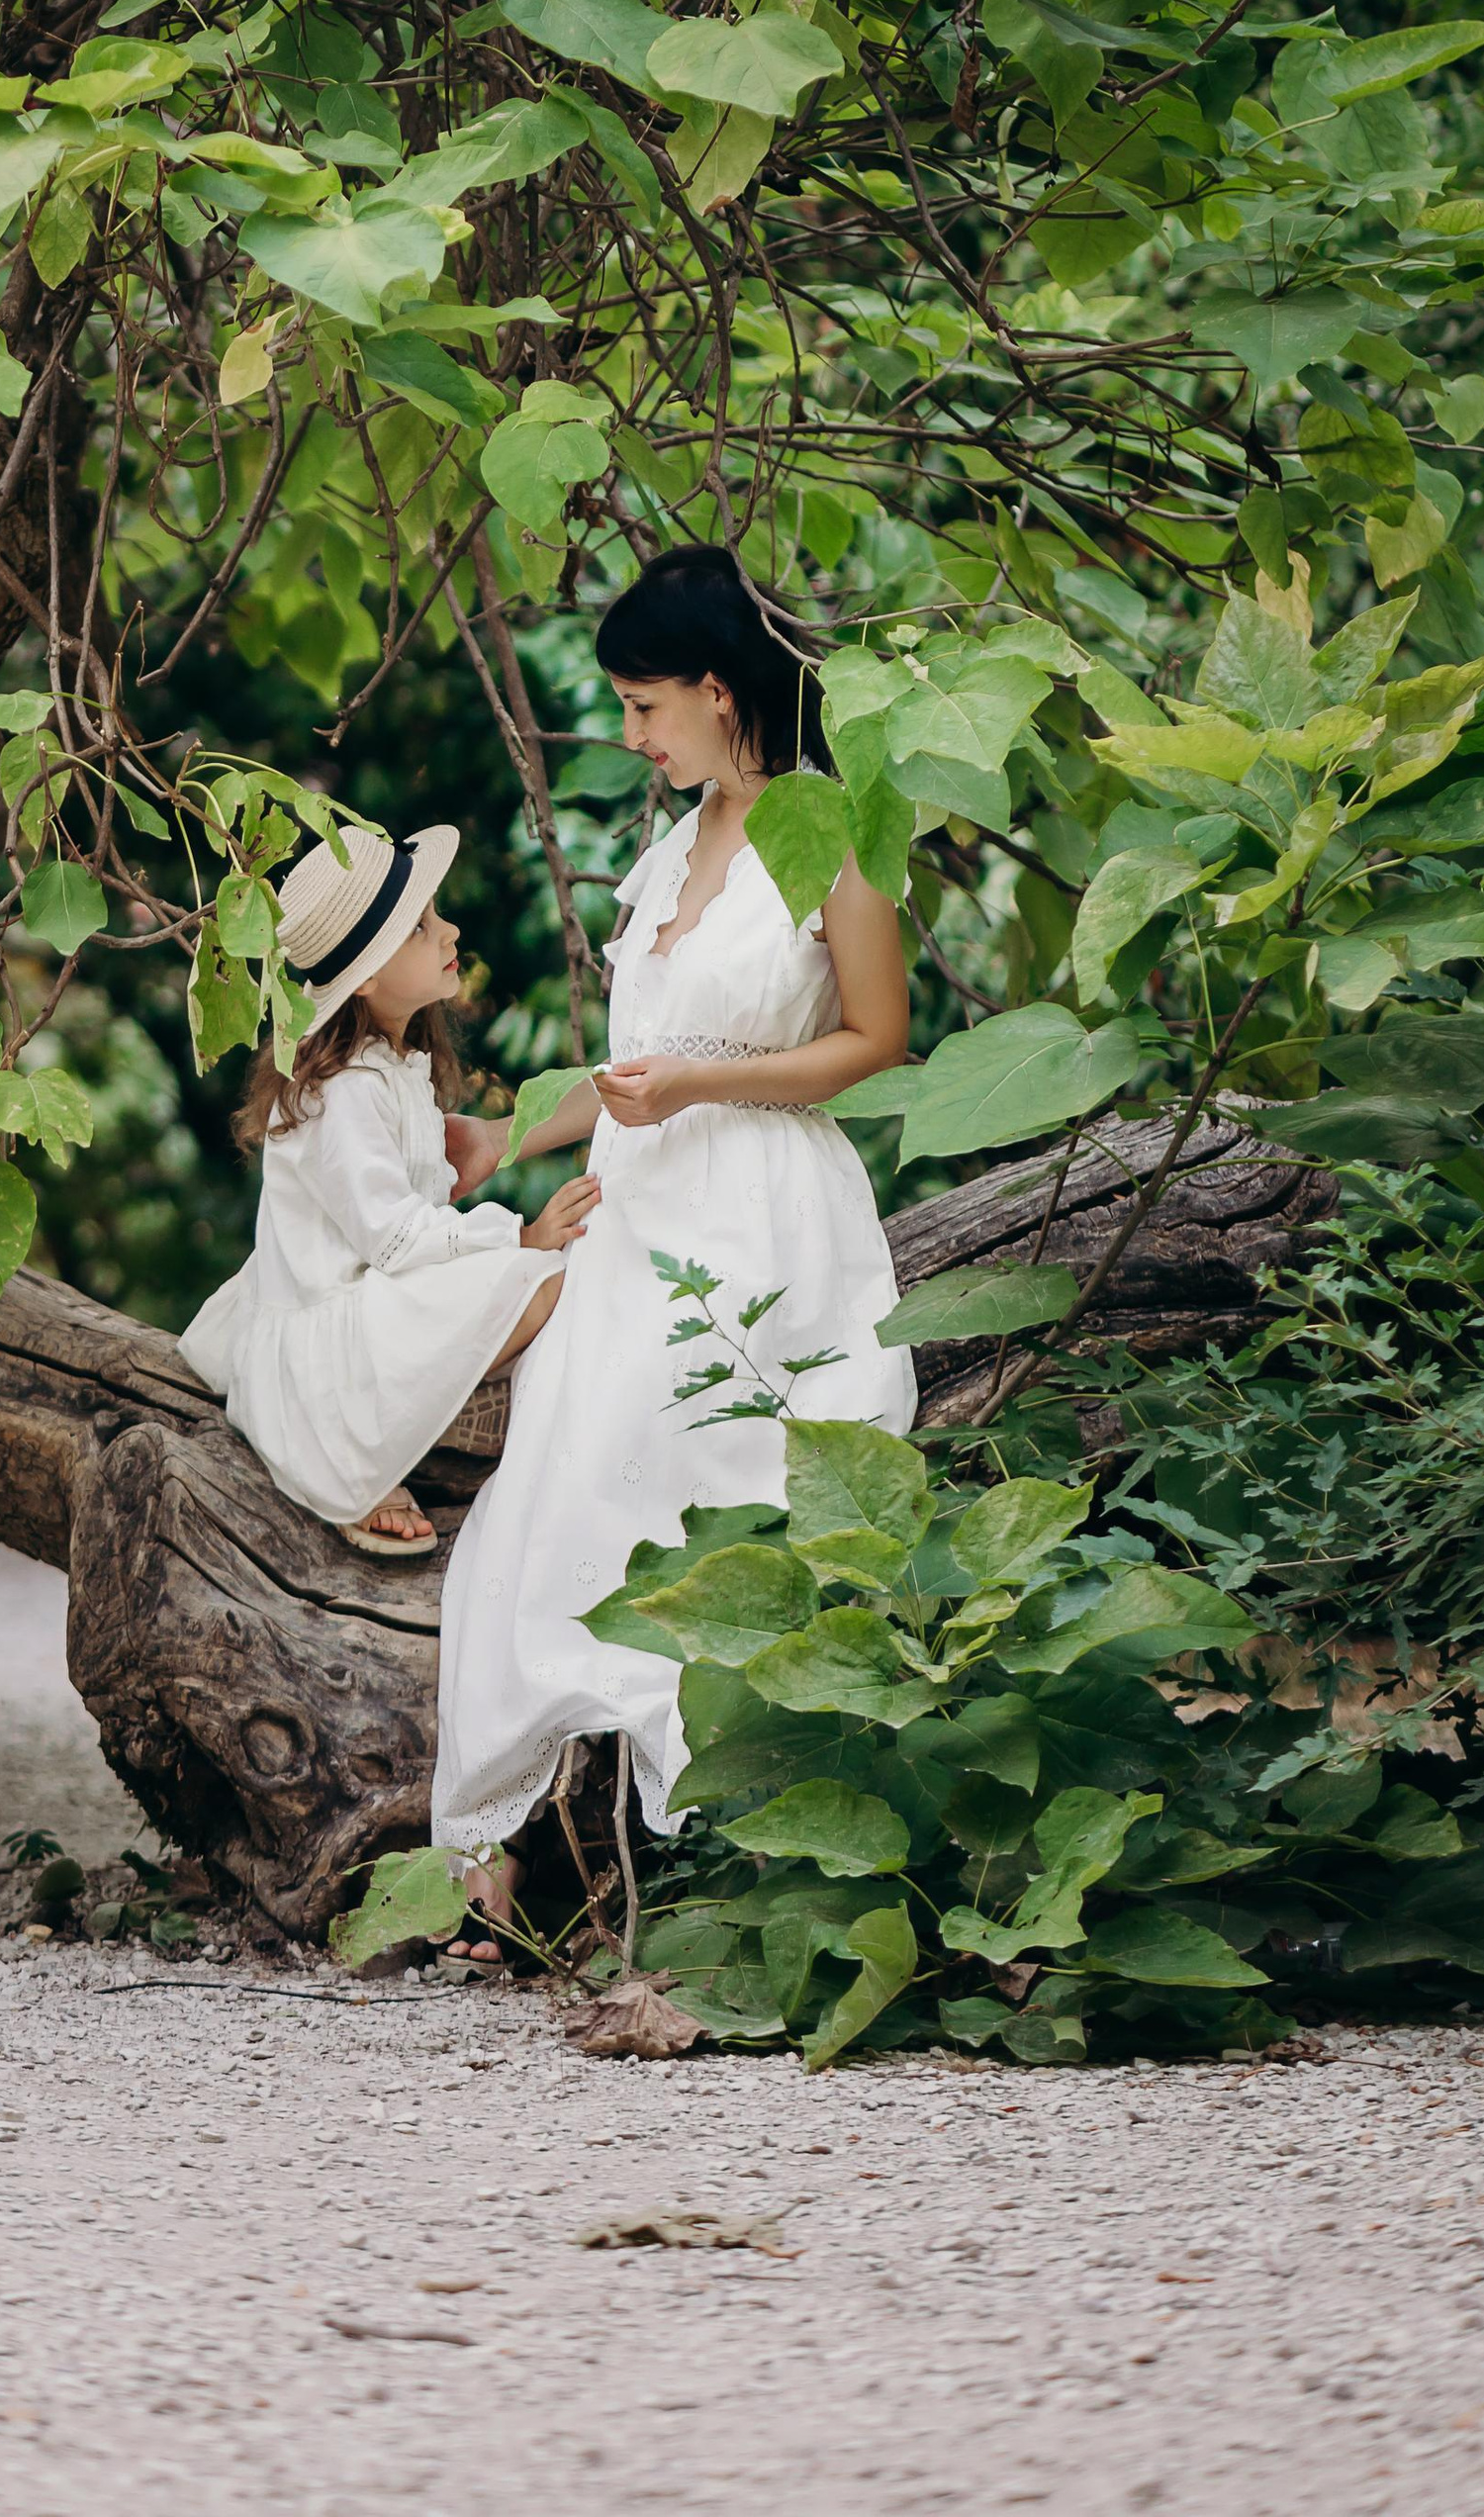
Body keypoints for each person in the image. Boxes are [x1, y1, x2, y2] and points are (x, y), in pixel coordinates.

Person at [432, 545, 918, 1939]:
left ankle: (739, 1853)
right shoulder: (677, 842)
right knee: (556, 1482)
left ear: (717, 690)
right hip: (638, 1206)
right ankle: (498, 1864)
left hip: (764, 1203)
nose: (633, 736)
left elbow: (876, 1042)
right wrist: (497, 1141)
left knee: (710, 1483)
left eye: (645, 708)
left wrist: (706, 1088)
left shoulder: (836, 828)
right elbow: (635, 1064)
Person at [182, 820, 603, 1561]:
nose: (451, 931)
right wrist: (518, 1235)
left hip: (371, 1297)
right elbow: (398, 1238)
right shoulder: (343, 1091)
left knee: (550, 1284)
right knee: (540, 1280)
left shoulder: (391, 1068)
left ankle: (432, 1406)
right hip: (329, 1337)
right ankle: (352, 1445)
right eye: (421, 927)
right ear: (367, 977)